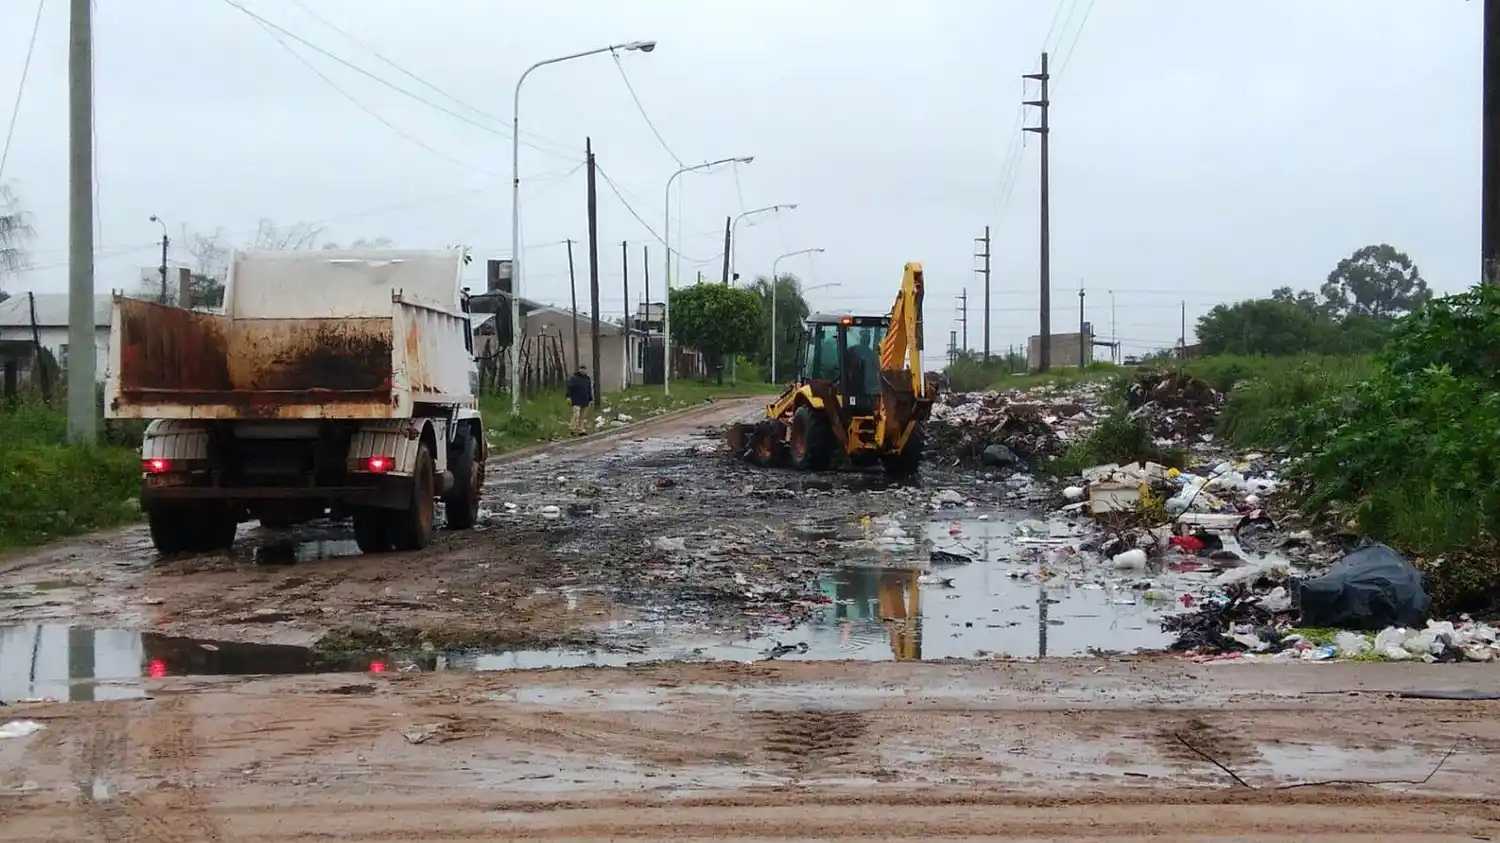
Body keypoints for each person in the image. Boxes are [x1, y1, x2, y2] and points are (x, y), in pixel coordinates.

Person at [565, 365, 593, 436]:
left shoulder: (587, 379)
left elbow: (589, 390)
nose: (583, 371)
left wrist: (590, 399)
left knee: (582, 416)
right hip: (576, 399)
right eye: (582, 369)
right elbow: (569, 388)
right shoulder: (574, 378)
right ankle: (572, 429)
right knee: (576, 415)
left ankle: (581, 430)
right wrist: (568, 397)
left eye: (584, 369)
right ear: (579, 370)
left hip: (585, 400)